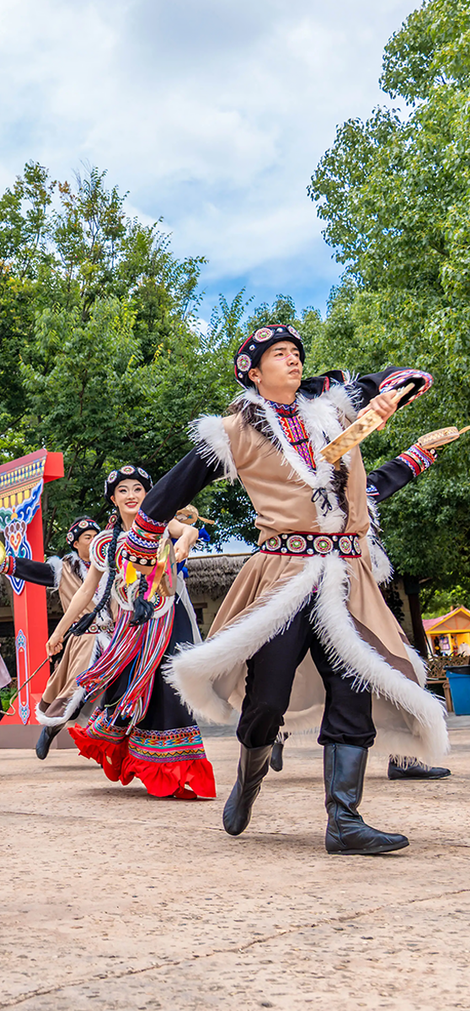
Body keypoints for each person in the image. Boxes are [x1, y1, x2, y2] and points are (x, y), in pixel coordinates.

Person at [122, 325, 446, 853]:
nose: (293, 361)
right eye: (279, 355)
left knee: (355, 686)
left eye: (296, 353)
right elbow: (172, 489)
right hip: (284, 575)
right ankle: (247, 784)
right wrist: (139, 547)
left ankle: (344, 820)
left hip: (346, 576)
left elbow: (386, 380)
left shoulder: (335, 410)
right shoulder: (232, 432)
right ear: (254, 371)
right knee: (266, 697)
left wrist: (399, 389)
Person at [37, 465, 212, 800]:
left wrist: (184, 543)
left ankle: (175, 771)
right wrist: (59, 632)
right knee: (129, 693)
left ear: (148, 495)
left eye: (137, 489)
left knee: (170, 689)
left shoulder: (161, 526)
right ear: (113, 500)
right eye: (123, 491)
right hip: (132, 627)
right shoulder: (106, 542)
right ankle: (147, 762)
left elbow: (187, 531)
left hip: (169, 618)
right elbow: (86, 592)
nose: (131, 496)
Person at [31, 517, 102, 758]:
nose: (93, 541)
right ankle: (51, 728)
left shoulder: (113, 564)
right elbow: (36, 571)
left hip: (118, 636)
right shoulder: (64, 570)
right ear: (75, 543)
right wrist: (5, 563)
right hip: (86, 638)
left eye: (96, 536)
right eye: (87, 537)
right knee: (75, 695)